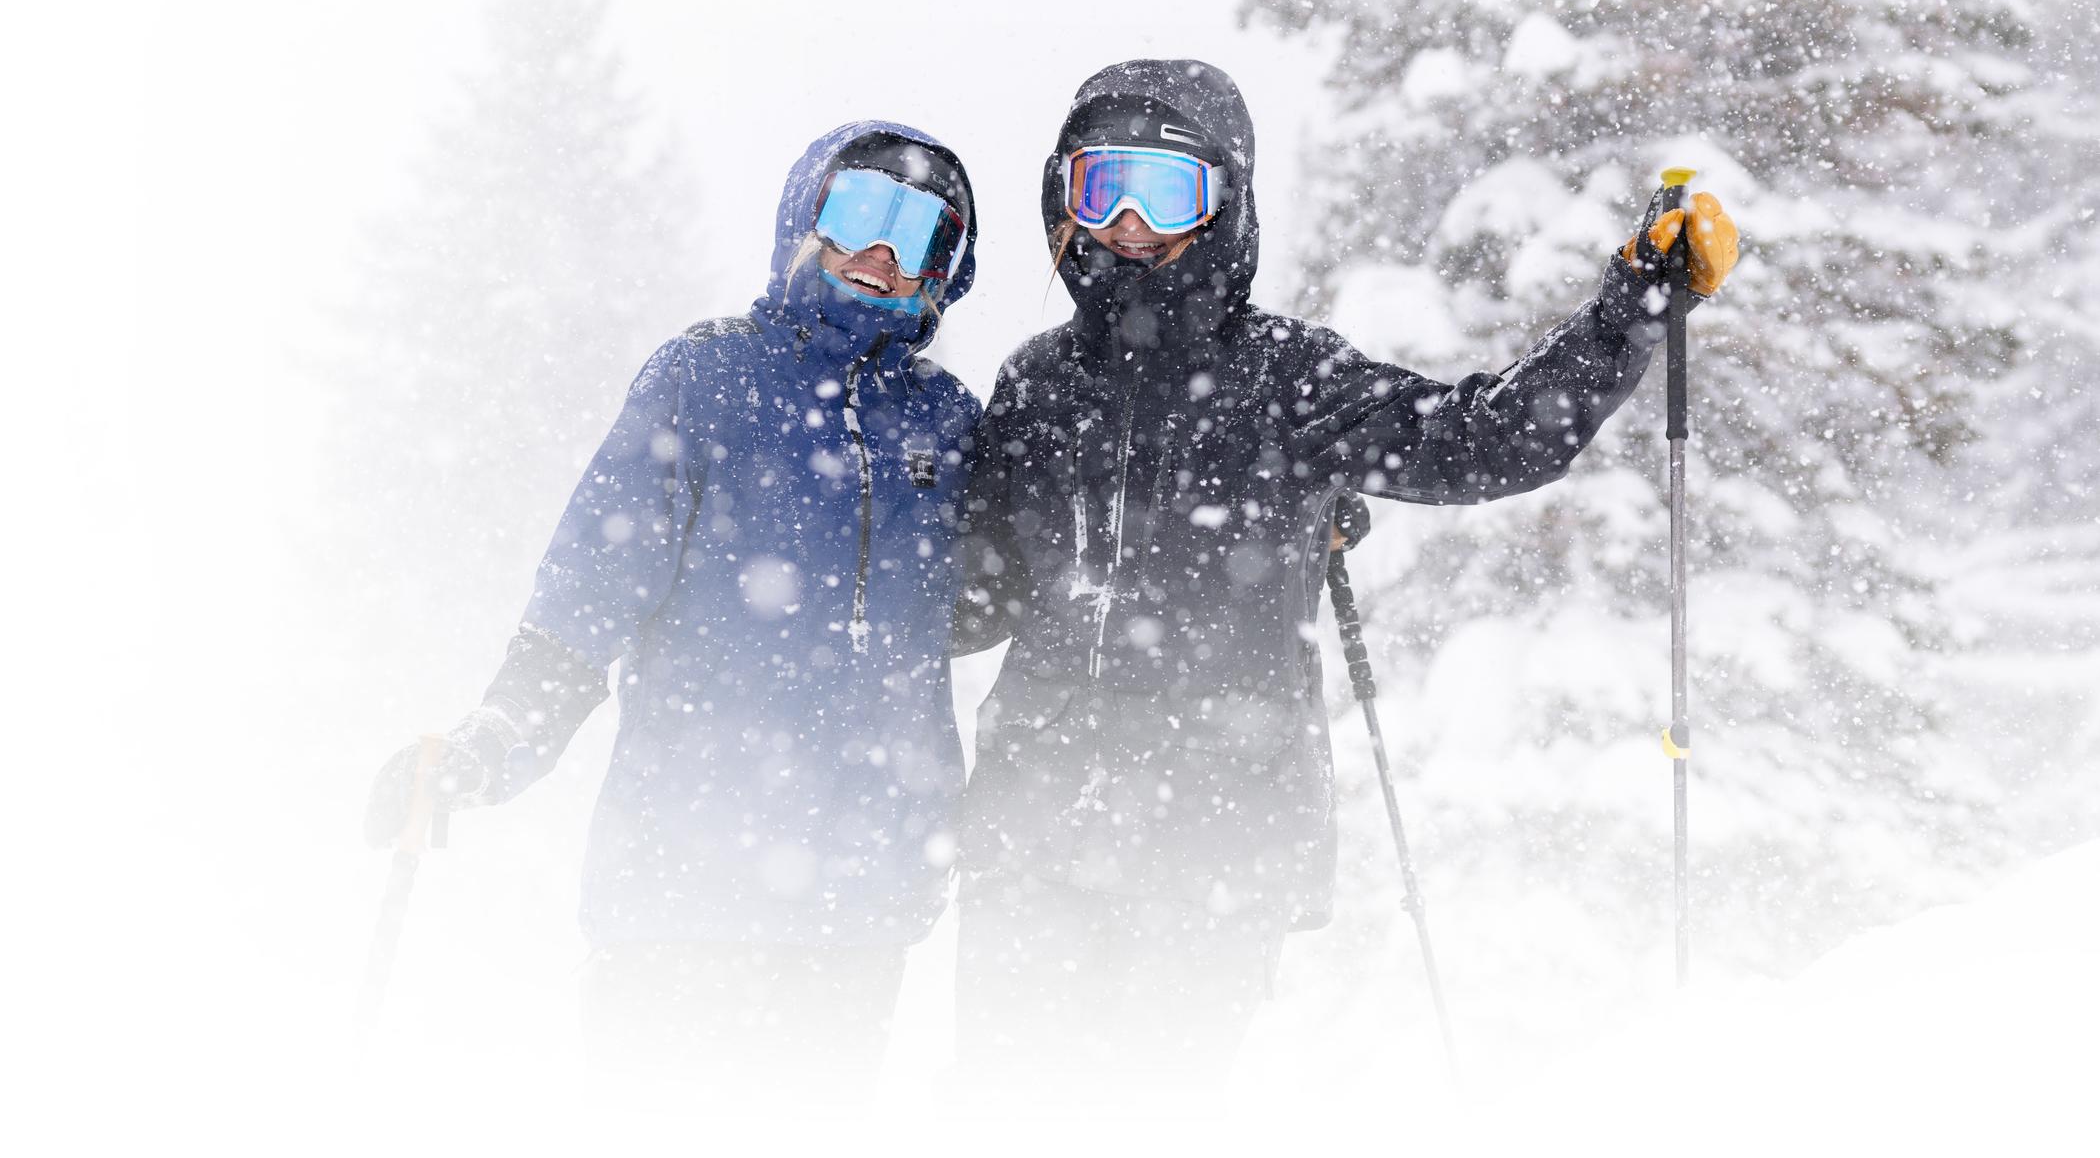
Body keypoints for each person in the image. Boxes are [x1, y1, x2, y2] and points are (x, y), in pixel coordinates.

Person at [950, 59, 1738, 1092]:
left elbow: (1483, 439)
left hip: (1213, 838)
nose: (1130, 224)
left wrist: (1628, 310)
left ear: (1224, 204)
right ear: (1065, 198)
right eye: (1104, 189)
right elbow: (978, 596)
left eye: (1168, 190)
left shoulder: (1286, 378)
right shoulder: (1037, 381)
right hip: (1034, 833)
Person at [364, 121, 982, 1094]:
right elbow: (585, 600)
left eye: (920, 235)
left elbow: (995, 599)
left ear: (947, 270)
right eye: (860, 210)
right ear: (804, 217)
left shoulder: (946, 421)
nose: (881, 252)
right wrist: (492, 742)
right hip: (685, 886)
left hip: (859, 902)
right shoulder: (705, 380)